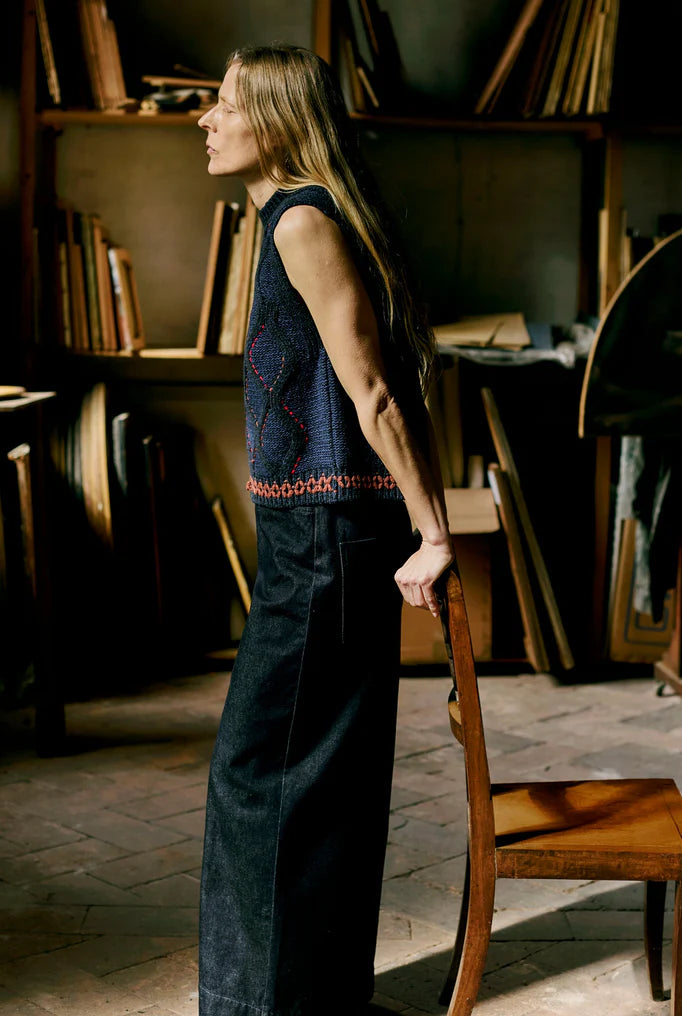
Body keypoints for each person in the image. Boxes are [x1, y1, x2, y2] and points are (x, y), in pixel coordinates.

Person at [197, 43, 454, 1016]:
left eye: (225, 105)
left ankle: (261, 1007)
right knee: (325, 776)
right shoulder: (293, 216)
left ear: (273, 118)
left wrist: (433, 533)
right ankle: (317, 997)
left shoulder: (303, 220)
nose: (207, 120)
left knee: (259, 774)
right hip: (320, 531)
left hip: (326, 537)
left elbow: (379, 389)